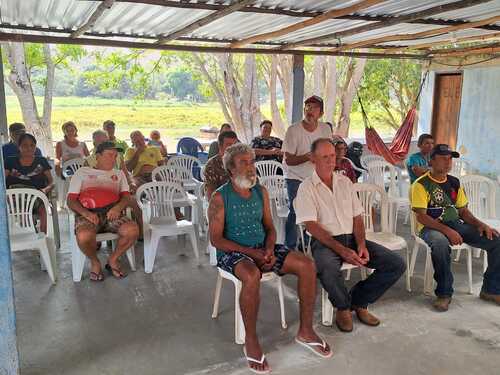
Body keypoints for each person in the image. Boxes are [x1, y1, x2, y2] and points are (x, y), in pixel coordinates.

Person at [208, 143, 332, 373]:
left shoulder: (260, 192)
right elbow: (216, 240)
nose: (250, 167)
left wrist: (268, 249)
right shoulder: (220, 198)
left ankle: (305, 331)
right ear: (231, 170)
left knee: (307, 265)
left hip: (261, 246)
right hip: (232, 251)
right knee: (251, 274)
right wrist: (253, 253)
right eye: (243, 163)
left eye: (252, 161)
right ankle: (251, 341)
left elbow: (269, 226)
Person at [296, 138, 405, 332]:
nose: (331, 161)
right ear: (313, 159)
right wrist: (341, 250)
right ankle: (343, 307)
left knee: (395, 264)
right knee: (327, 268)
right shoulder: (306, 188)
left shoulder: (345, 182)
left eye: (332, 156)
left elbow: (357, 217)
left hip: (352, 238)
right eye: (324, 157)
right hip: (325, 242)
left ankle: (359, 301)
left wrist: (361, 244)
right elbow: (311, 226)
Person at [411, 144, 500, 311]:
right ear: (432, 160)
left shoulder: (454, 182)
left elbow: (463, 211)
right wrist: (447, 231)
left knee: (495, 240)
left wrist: (481, 224)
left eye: (450, 158)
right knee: (440, 244)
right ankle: (444, 294)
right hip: (429, 227)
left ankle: (491, 290)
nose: (448, 162)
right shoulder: (420, 185)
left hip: (454, 224)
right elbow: (421, 216)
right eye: (443, 158)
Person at [67, 141, 139, 282]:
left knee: (132, 231)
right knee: (83, 237)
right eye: (109, 155)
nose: (113, 159)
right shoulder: (82, 173)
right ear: (97, 156)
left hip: (112, 213)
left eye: (115, 156)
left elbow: (126, 197)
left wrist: (118, 208)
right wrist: (86, 213)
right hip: (88, 213)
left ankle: (113, 259)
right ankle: (95, 262)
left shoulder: (119, 174)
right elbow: (71, 201)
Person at [282, 95, 332, 250]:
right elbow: (288, 160)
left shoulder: (325, 129)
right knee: (296, 211)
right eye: (308, 107)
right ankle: (290, 247)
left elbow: (328, 151)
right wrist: (306, 157)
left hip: (317, 177)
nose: (310, 110)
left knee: (318, 212)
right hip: (295, 177)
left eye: (314, 108)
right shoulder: (293, 130)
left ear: (321, 113)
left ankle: (309, 245)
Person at [5, 133, 54, 233]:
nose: (29, 148)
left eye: (32, 145)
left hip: (36, 195)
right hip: (14, 197)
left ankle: (44, 237)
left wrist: (45, 190)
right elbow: (2, 182)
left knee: (44, 208)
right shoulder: (10, 161)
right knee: (19, 206)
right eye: (25, 145)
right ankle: (28, 232)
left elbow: (52, 182)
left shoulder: (41, 161)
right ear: (19, 147)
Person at [203, 130, 238, 198]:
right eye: (229, 145)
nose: (233, 148)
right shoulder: (212, 165)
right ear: (220, 146)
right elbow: (211, 194)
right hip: (222, 202)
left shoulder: (241, 162)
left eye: (235, 145)